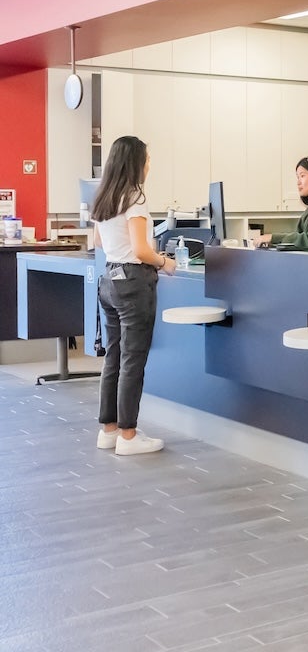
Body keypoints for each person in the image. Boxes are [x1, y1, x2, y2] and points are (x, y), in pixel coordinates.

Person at [92, 136, 176, 456]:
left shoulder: (104, 197)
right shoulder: (135, 196)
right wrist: (165, 262)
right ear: (135, 163)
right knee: (132, 360)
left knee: (113, 356)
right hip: (132, 283)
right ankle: (129, 436)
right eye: (147, 159)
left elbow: (99, 241)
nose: (149, 164)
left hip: (109, 282)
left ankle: (109, 431)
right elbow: (141, 250)